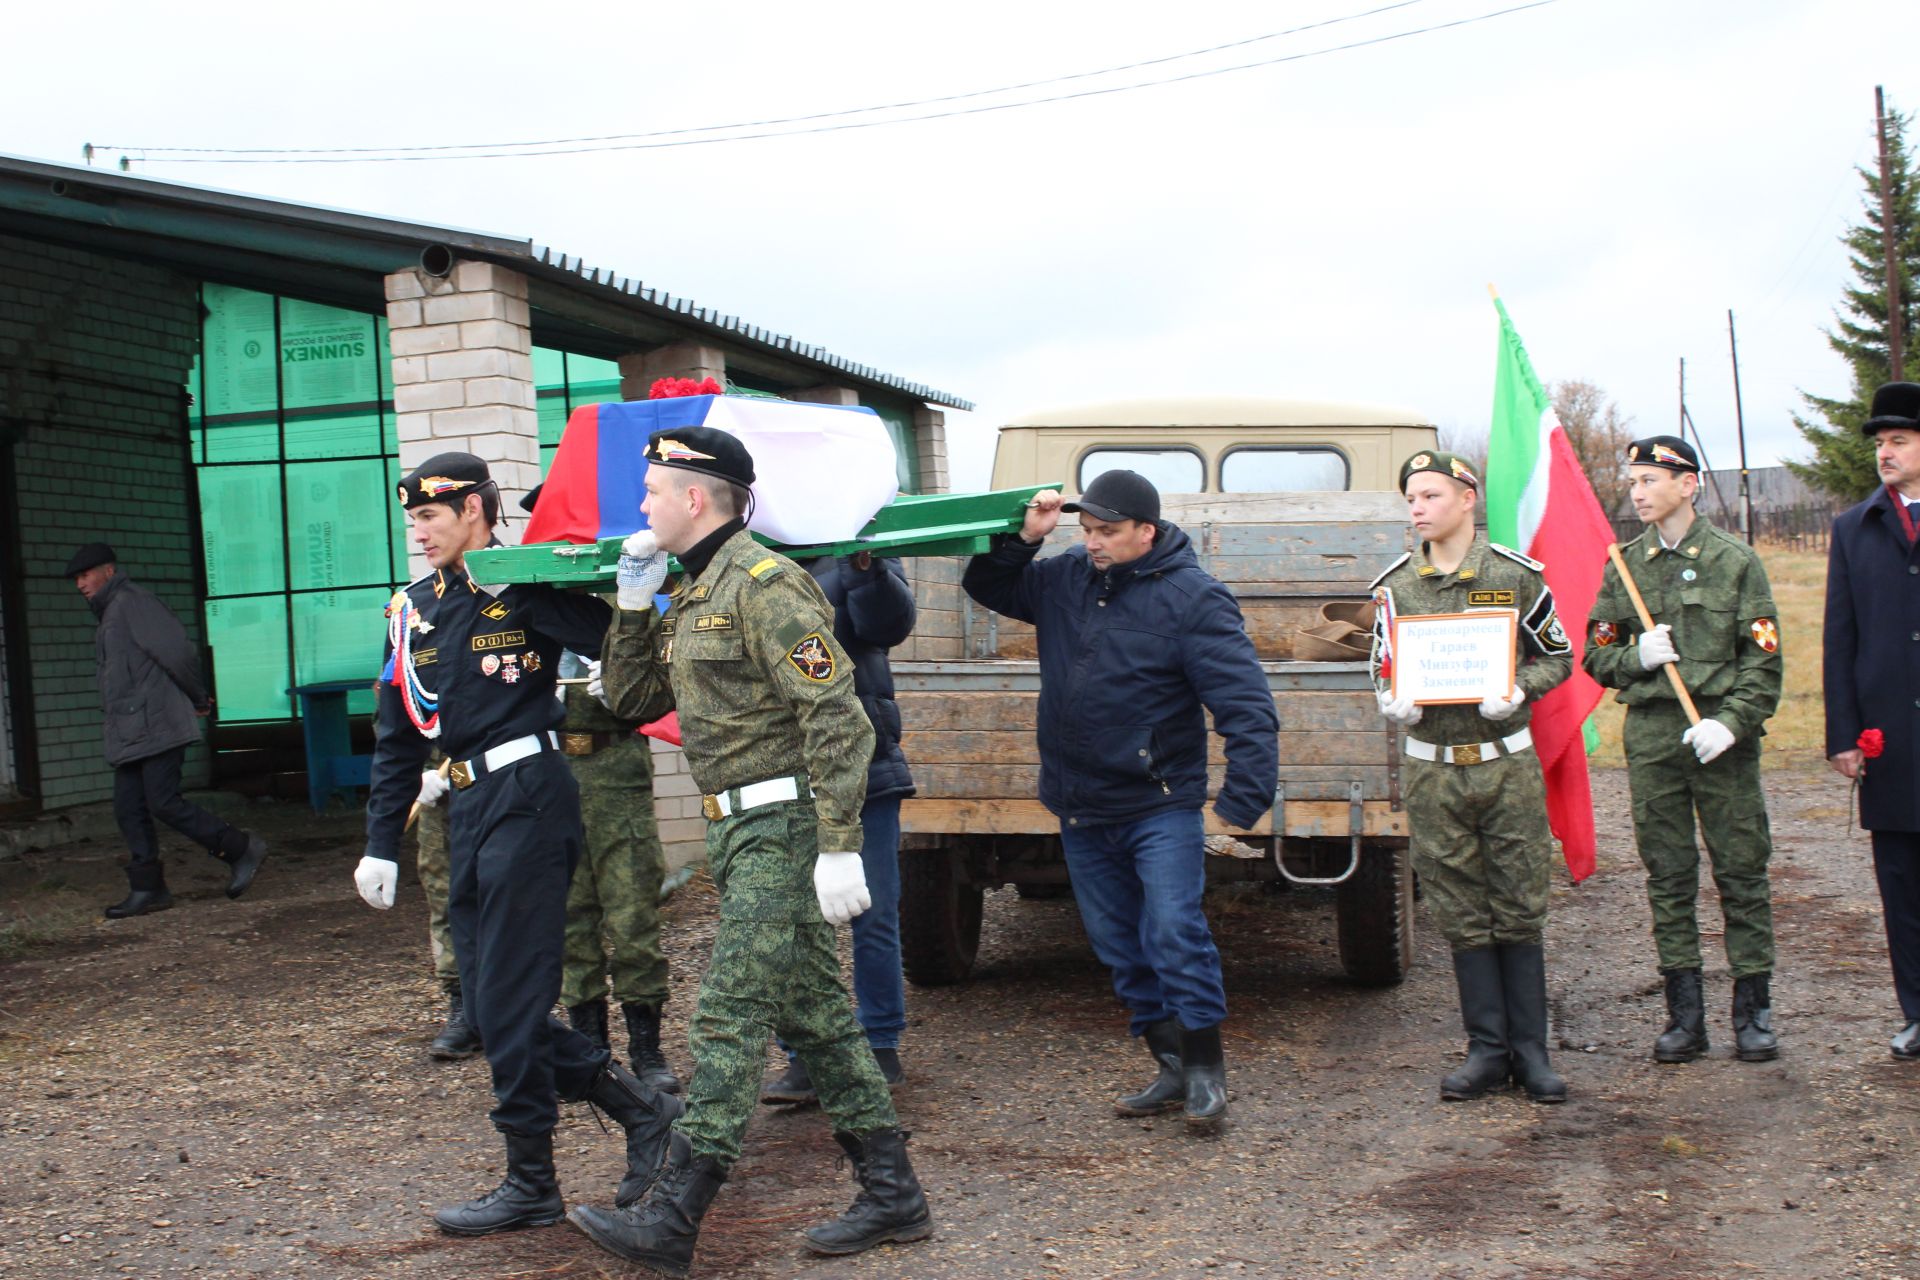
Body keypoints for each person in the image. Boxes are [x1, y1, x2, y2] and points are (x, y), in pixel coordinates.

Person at [570, 425, 931, 1273]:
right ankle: (893, 1192)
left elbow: (837, 717)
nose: (644, 504)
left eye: (654, 490)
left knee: (729, 1012)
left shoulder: (769, 586)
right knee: (819, 1018)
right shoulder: (694, 592)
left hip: (784, 825)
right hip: (736, 829)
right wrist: (631, 604)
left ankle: (673, 1216)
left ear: (695, 498)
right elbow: (628, 699)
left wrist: (840, 844)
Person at [352, 452, 681, 1237]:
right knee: (495, 1004)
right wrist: (379, 844)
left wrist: (611, 593)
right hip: (463, 805)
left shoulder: (522, 587)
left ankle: (532, 1178)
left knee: (509, 997)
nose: (420, 532)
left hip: (531, 794)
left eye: (432, 516)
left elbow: (621, 646)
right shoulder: (414, 609)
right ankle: (639, 1115)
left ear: (474, 510)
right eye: (413, 520)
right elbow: (397, 736)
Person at [961, 469, 1278, 1131]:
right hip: (1080, 802)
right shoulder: (1065, 578)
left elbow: (1245, 705)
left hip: (1158, 802)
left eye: (1107, 531)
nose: (1092, 541)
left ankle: (1205, 1072)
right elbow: (985, 585)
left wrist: (1243, 799)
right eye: (1087, 529)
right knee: (1116, 943)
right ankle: (1168, 1062)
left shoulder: (1194, 599)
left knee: (1173, 931)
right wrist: (1023, 540)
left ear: (1146, 532)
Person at [1371, 451, 1573, 1103]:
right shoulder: (1397, 587)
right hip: (1434, 773)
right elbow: (1381, 664)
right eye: (1410, 499)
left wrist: (1517, 688)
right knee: (1460, 911)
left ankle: (1533, 1052)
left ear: (1468, 499)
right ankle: (1487, 1050)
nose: (1418, 509)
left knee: (1517, 904)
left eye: (1430, 495)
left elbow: (1560, 655)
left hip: (1503, 764)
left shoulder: (1512, 578)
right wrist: (1390, 697)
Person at [1585, 435, 1782, 1065]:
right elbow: (1597, 654)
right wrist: (1636, 658)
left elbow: (1764, 662)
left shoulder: (1734, 561)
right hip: (1652, 738)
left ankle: (1753, 1012)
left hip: (1720, 740)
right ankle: (1685, 1016)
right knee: (1668, 875)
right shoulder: (1625, 565)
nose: (1637, 493)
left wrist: (1731, 723)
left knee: (1742, 870)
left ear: (1688, 484)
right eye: (1634, 482)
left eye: (1649, 481)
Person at [520, 484, 681, 1094]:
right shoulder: (524, 604)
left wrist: (617, 670)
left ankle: (648, 1050)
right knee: (568, 918)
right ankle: (590, 1051)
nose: (557, 539)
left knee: (633, 912)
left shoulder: (623, 599)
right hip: (552, 773)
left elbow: (657, 688)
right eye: (545, 526)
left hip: (616, 773)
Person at [762, 549, 916, 1104]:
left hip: (863, 768)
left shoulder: (858, 540)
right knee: (791, 922)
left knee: (871, 913)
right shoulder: (750, 556)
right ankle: (808, 1054)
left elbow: (888, 625)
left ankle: (879, 1044)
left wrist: (863, 569)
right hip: (781, 772)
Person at [68, 542, 267, 918]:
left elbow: (176, 652)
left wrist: (199, 696)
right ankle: (148, 889)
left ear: (108, 571)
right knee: (128, 808)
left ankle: (240, 849)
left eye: (85, 575)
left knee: (162, 802)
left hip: (157, 721)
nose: (80, 584)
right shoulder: (111, 611)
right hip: (131, 728)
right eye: (77, 578)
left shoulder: (132, 603)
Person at [1823, 382, 1920, 1060]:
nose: (1884, 453)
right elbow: (1841, 637)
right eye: (1880, 443)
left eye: (1899, 442)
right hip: (1892, 738)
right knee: (1902, 885)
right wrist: (1842, 734)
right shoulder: (1855, 528)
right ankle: (1916, 1010)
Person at [412, 758, 481, 1059]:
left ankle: (512, 1005)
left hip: (498, 775)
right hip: (436, 786)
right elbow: (395, 726)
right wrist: (413, 773)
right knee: (445, 896)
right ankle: (462, 1006)